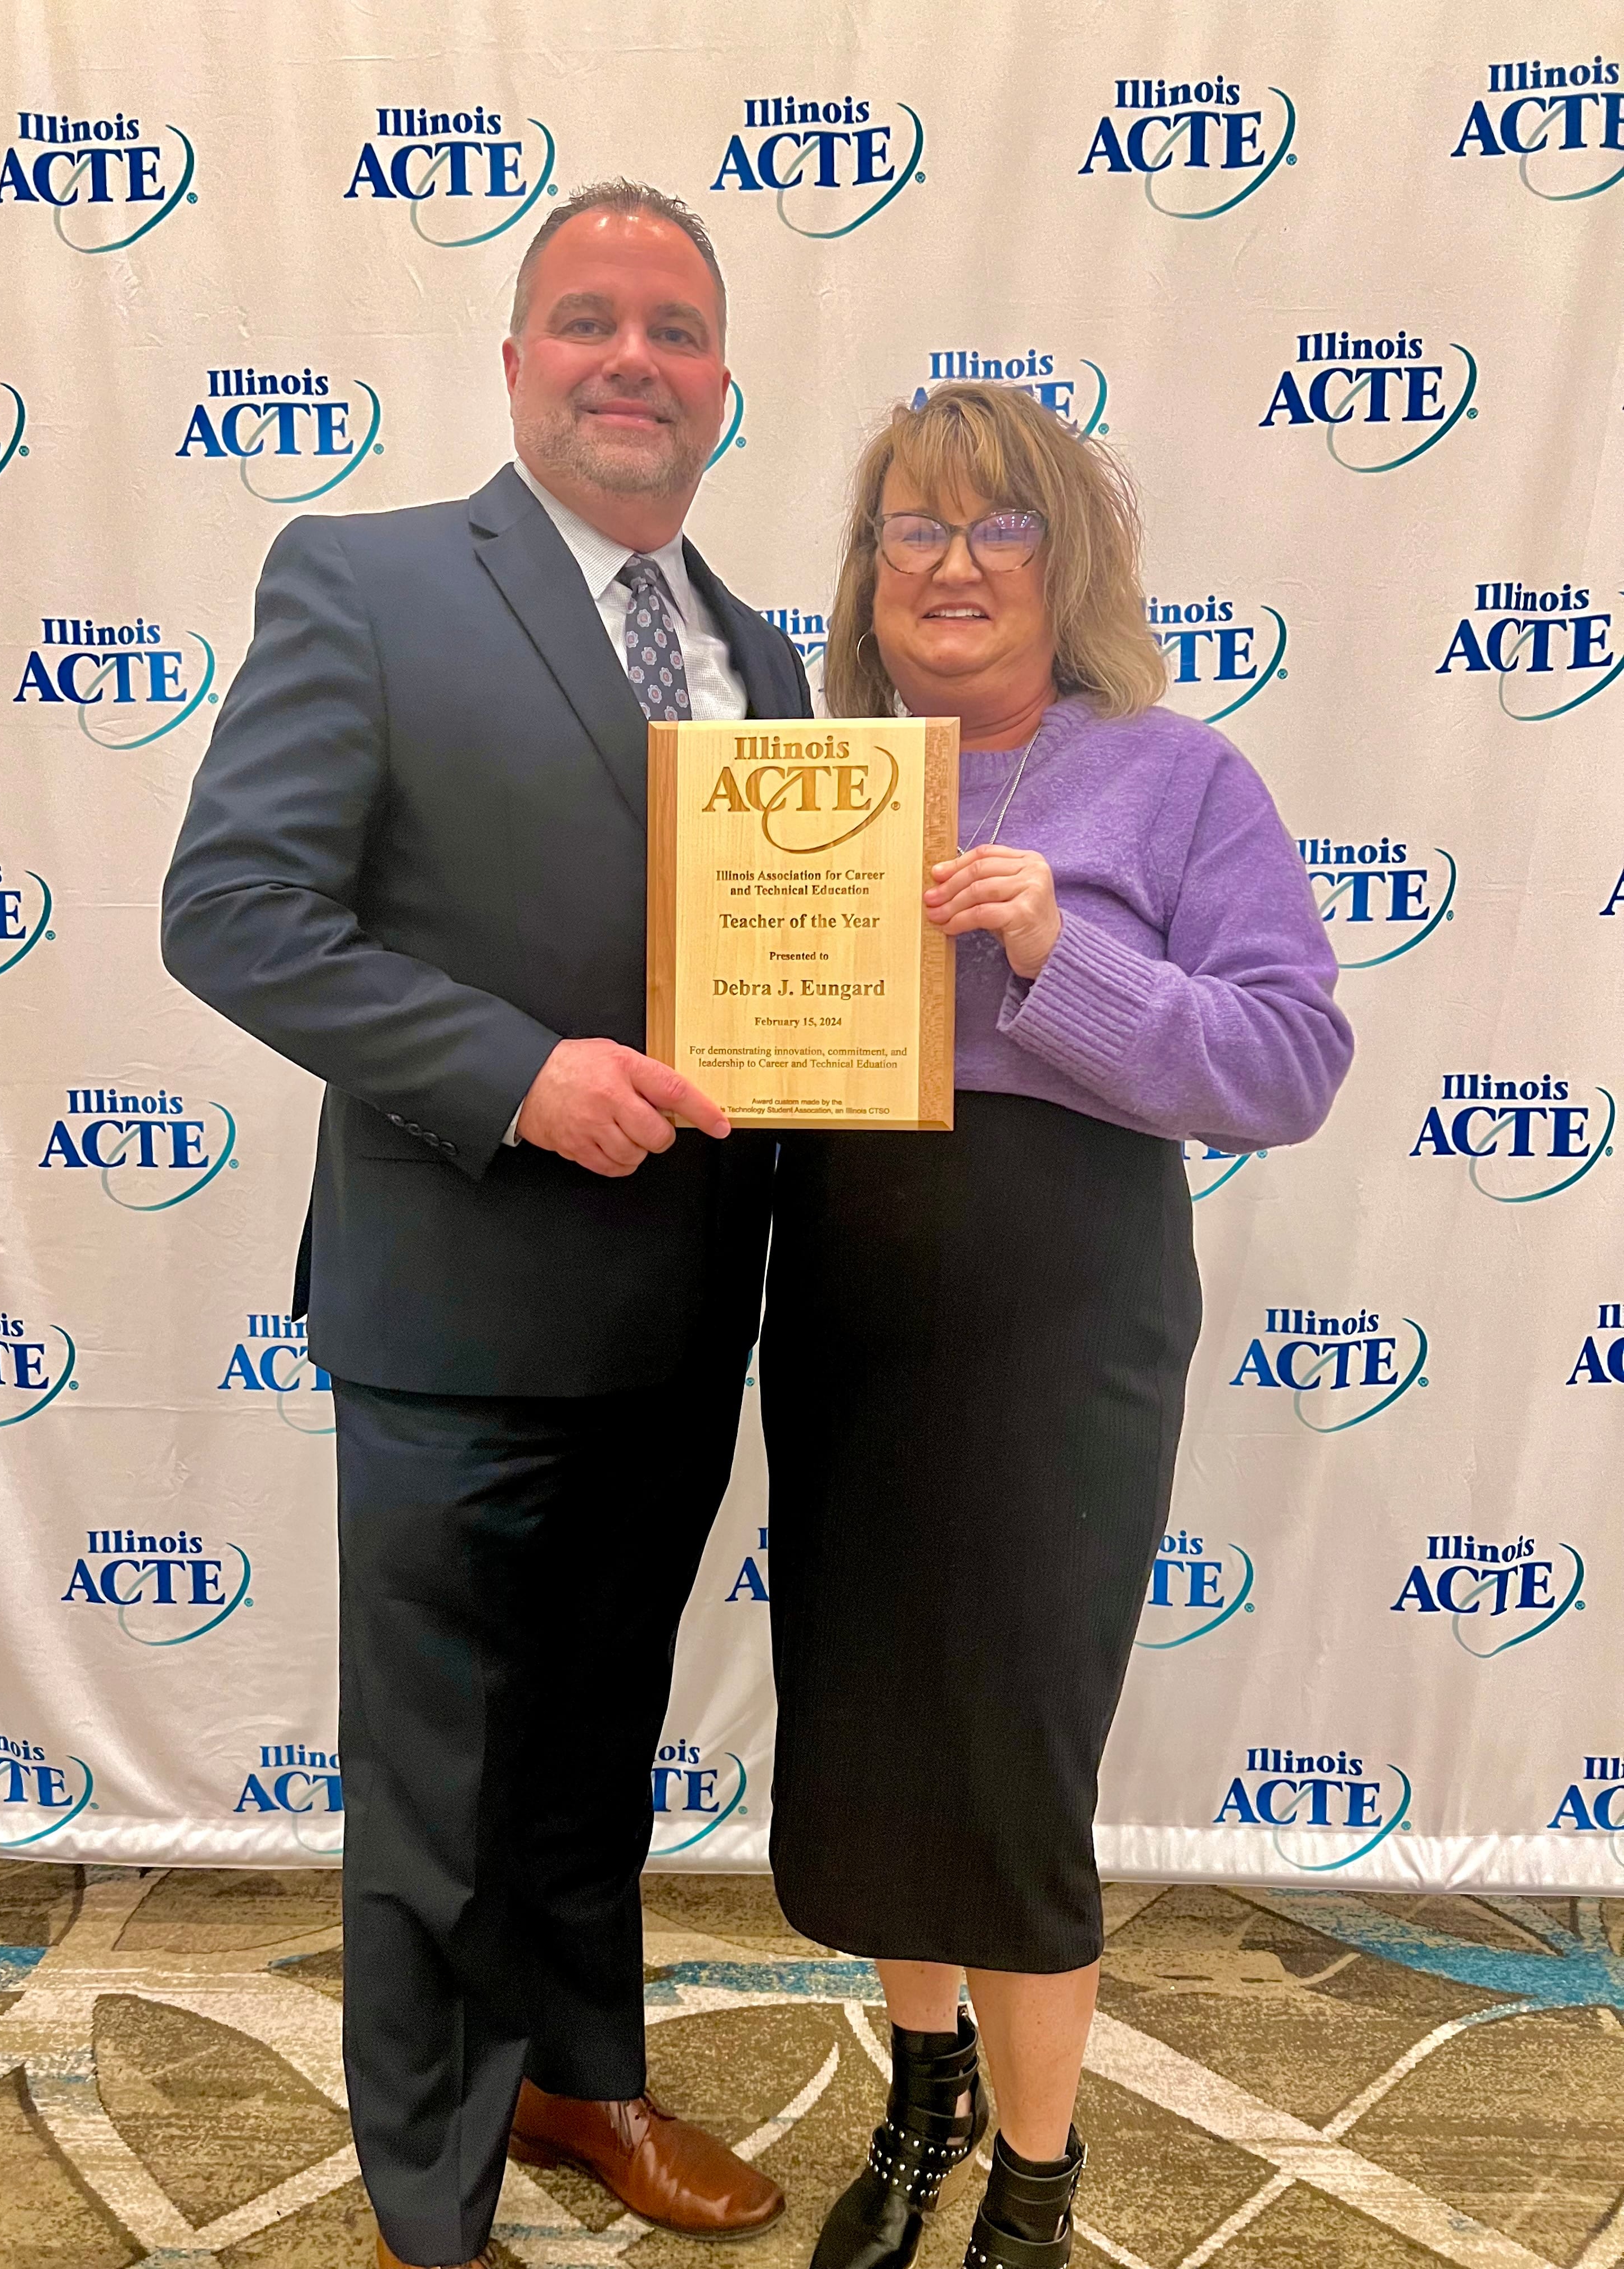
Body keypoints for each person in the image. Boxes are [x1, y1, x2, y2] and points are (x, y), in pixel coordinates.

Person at [161, 181, 809, 2269]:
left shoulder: (768, 654)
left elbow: (780, 988)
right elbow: (234, 912)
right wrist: (517, 1072)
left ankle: (578, 2085)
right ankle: (426, 2208)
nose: (637, 359)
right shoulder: (358, 581)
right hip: (454, 1308)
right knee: (436, 1794)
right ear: (515, 361)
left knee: (596, 1758)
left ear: (727, 389)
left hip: (686, 1313)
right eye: (590, 321)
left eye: (678, 331)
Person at [759, 382, 1353, 2269]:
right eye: (908, 531)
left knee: (1013, 1739)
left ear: (1063, 560)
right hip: (846, 1292)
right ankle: (920, 2104)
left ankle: (1034, 2176)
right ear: (866, 575)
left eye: (994, 527)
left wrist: (1054, 951)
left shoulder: (1178, 778)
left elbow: (1291, 1057)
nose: (948, 566)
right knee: (873, 1723)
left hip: (1062, 1311)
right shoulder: (811, 774)